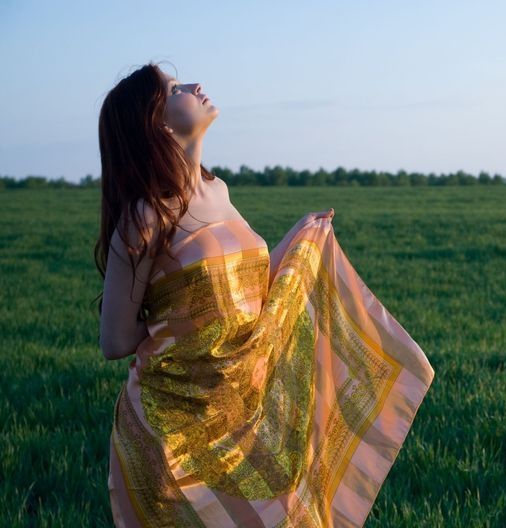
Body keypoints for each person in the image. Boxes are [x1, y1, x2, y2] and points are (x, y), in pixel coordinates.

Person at [94, 62, 435, 527]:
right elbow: (116, 341)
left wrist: (299, 243)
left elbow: (243, 288)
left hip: (236, 421)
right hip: (170, 435)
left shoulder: (218, 191)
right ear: (155, 120)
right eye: (175, 88)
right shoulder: (145, 218)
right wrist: (186, 331)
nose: (195, 86)